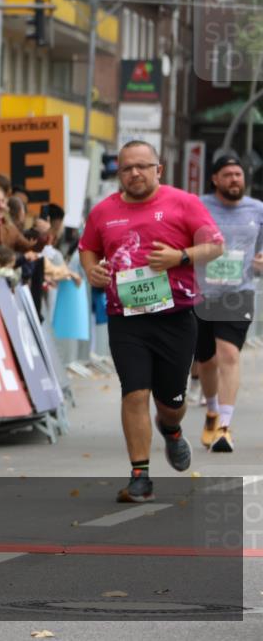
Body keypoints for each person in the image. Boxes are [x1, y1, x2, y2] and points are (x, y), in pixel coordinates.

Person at [79, 140, 223, 504]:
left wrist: (180, 257)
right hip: (126, 319)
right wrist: (92, 270)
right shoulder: (103, 211)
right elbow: (87, 248)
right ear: (119, 174)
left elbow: (215, 245)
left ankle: (171, 429)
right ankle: (140, 477)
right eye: (127, 168)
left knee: (170, 402)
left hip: (175, 317)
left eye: (142, 166)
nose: (135, 173)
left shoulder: (183, 203)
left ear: (158, 170)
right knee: (135, 392)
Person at [193, 155, 263, 452]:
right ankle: (211, 411)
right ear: (215, 179)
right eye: (228, 174)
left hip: (239, 293)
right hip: (201, 293)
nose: (235, 179)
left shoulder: (257, 209)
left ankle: (224, 427)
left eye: (238, 174)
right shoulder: (198, 206)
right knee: (206, 361)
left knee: (229, 354)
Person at [0, 181, 49, 255]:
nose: (1, 206)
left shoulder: (9, 228)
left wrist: (43, 237)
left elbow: (28, 248)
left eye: (3, 201)